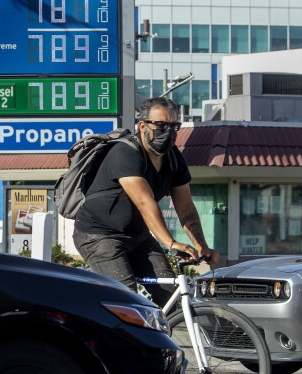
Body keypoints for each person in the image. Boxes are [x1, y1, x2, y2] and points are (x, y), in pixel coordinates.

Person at [72, 97, 219, 306]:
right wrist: (171, 243)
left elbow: (185, 207)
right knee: (125, 299)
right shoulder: (126, 153)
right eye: (160, 125)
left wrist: (201, 245)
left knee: (171, 293)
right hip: (100, 235)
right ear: (142, 125)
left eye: (173, 126)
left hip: (138, 236)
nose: (167, 131)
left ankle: (164, 337)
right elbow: (144, 203)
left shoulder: (173, 158)